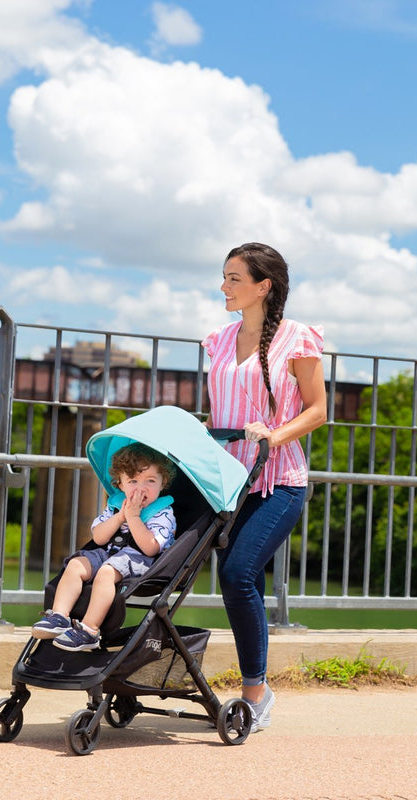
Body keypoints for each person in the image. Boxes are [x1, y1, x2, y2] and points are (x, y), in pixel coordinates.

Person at [203, 242, 327, 731]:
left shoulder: (298, 340)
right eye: (224, 276)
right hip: (226, 481)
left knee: (238, 576)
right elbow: (221, 410)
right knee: (236, 583)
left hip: (279, 480)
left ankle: (255, 692)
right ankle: (249, 685)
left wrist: (273, 436)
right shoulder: (217, 339)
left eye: (234, 278)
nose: (224, 286)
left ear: (263, 286)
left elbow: (317, 411)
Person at [31, 442, 177, 652]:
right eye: (133, 480)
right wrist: (120, 517)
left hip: (139, 558)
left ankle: (89, 629)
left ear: (163, 484)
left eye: (151, 481)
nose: (141, 488)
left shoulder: (162, 512)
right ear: (120, 484)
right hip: (109, 550)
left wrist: (134, 517)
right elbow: (99, 538)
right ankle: (59, 616)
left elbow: (150, 548)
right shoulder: (116, 504)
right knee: (76, 564)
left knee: (106, 573)